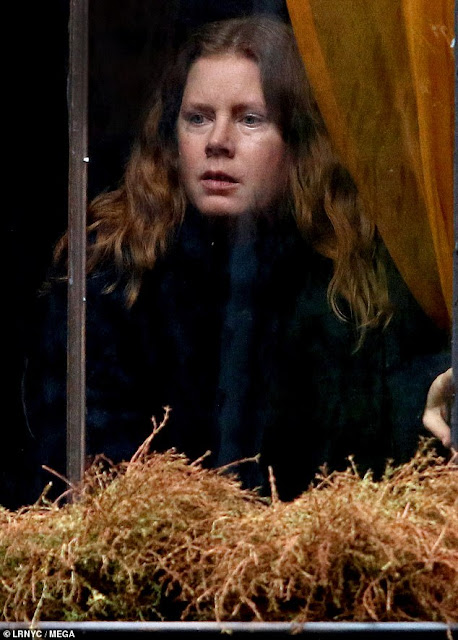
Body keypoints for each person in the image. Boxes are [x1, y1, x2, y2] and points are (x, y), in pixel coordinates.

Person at [22, 15, 453, 505]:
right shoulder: (114, 270)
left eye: (250, 119)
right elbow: (80, 462)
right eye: (197, 118)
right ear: (171, 136)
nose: (217, 142)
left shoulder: (349, 278)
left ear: (298, 143)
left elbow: (389, 430)